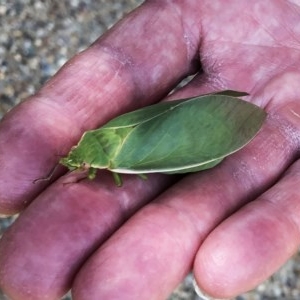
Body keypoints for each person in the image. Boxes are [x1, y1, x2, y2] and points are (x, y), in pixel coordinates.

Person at [1, 0, 300, 299]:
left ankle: (226, 124)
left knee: (190, 158)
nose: (76, 162)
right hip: (141, 134)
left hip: (141, 148)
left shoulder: (111, 167)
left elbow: (109, 174)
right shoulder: (95, 144)